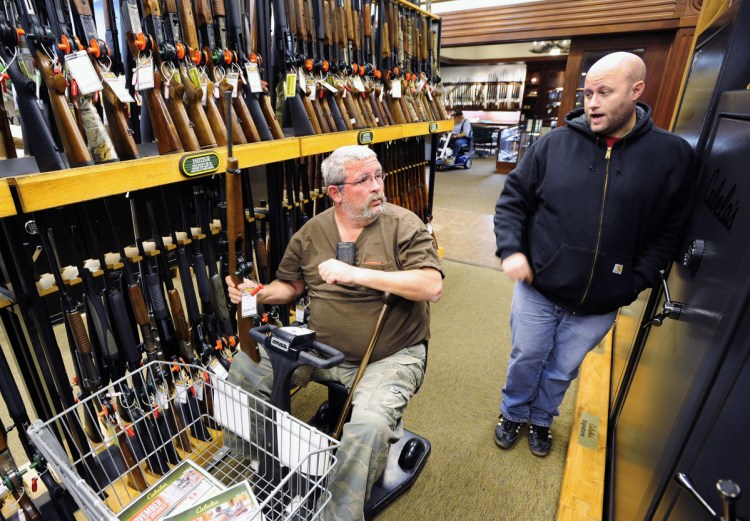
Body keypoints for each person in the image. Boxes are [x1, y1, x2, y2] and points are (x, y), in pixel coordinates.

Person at [225, 145, 443, 520]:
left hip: (390, 355)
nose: (377, 187)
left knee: (369, 426)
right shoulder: (312, 233)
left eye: (379, 177)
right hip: (319, 346)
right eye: (364, 180)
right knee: (243, 373)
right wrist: (258, 294)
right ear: (335, 192)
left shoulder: (403, 224)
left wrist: (358, 274)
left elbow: (431, 286)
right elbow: (290, 286)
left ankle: (338, 515)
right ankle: (257, 470)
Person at [493, 52, 694, 457]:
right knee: (527, 357)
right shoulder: (553, 144)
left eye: (605, 92)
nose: (592, 103)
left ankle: (541, 420)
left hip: (602, 300)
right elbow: (512, 201)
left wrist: (636, 281)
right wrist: (512, 249)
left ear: (637, 92)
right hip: (539, 287)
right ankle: (512, 413)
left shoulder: (671, 155)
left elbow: (669, 230)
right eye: (588, 93)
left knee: (562, 369)